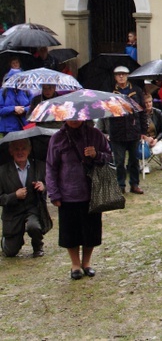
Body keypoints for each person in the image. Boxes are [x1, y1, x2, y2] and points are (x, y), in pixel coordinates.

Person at [46, 119, 112, 279]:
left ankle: (87, 263)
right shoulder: (57, 138)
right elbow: (51, 167)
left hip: (92, 191)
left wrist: (97, 154)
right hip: (67, 193)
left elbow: (110, 157)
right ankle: (75, 265)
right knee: (71, 232)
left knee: (91, 231)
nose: (74, 119)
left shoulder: (95, 134)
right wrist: (53, 193)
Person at [0, 138, 49, 258]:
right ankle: (8, 240)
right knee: (10, 252)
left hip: (33, 209)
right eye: (16, 149)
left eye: (23, 149)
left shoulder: (39, 166)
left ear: (29, 150)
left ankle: (38, 246)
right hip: (13, 213)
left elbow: (52, 185)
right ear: (11, 151)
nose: (20, 152)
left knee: (34, 226)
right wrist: (14, 196)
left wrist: (44, 186)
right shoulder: (2, 171)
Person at [109, 66, 148, 194]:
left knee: (134, 160)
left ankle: (134, 184)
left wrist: (143, 131)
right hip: (117, 131)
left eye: (124, 74)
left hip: (133, 130)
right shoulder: (110, 92)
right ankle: (120, 184)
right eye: (118, 74)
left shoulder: (136, 91)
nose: (121, 77)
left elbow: (142, 111)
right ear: (114, 77)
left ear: (128, 75)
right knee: (119, 161)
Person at [143, 92, 162, 172]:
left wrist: (156, 139)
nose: (148, 104)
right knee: (142, 147)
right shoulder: (140, 114)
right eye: (146, 103)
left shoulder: (158, 112)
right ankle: (145, 164)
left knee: (158, 148)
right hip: (145, 139)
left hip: (157, 137)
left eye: (150, 102)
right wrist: (146, 138)